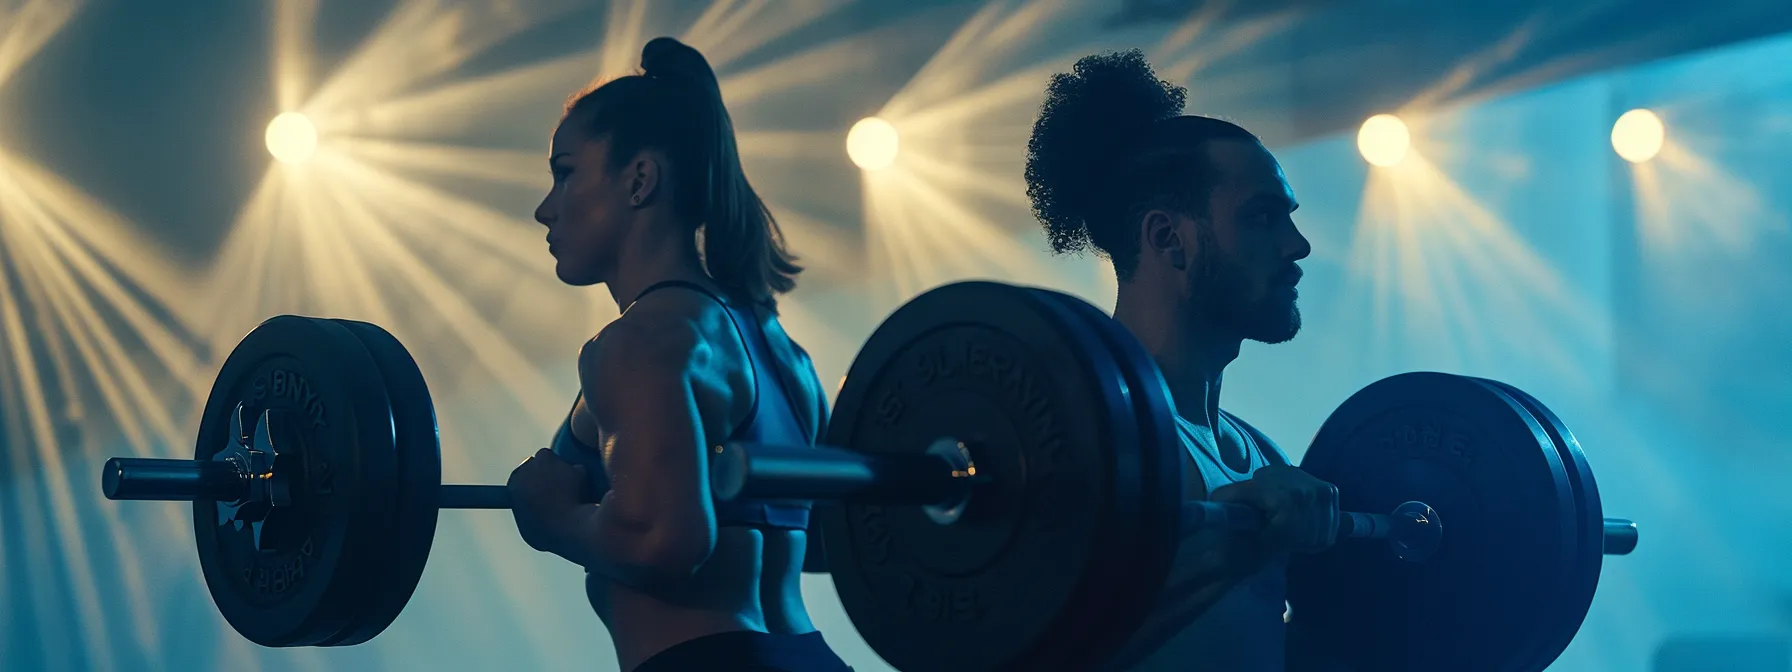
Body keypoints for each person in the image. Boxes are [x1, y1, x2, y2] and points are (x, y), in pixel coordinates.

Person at [503, 37, 850, 672]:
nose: (544, 208)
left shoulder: (640, 343)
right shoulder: (781, 352)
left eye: (565, 172)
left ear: (639, 179)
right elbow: (826, 541)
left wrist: (554, 518)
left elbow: (666, 540)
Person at [1024, 50, 1342, 671]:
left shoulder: (1262, 456)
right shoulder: (1076, 433)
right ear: (1168, 238)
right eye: (1262, 218)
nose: (1297, 245)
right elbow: (1025, 652)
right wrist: (1231, 545)